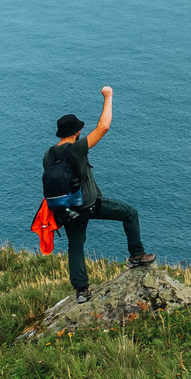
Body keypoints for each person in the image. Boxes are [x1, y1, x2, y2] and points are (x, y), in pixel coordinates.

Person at [41, 86, 155, 300]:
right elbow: (103, 127)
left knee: (75, 244)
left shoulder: (48, 155)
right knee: (129, 213)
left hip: (65, 210)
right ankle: (137, 256)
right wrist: (108, 97)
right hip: (90, 204)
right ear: (76, 132)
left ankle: (81, 291)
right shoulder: (77, 148)